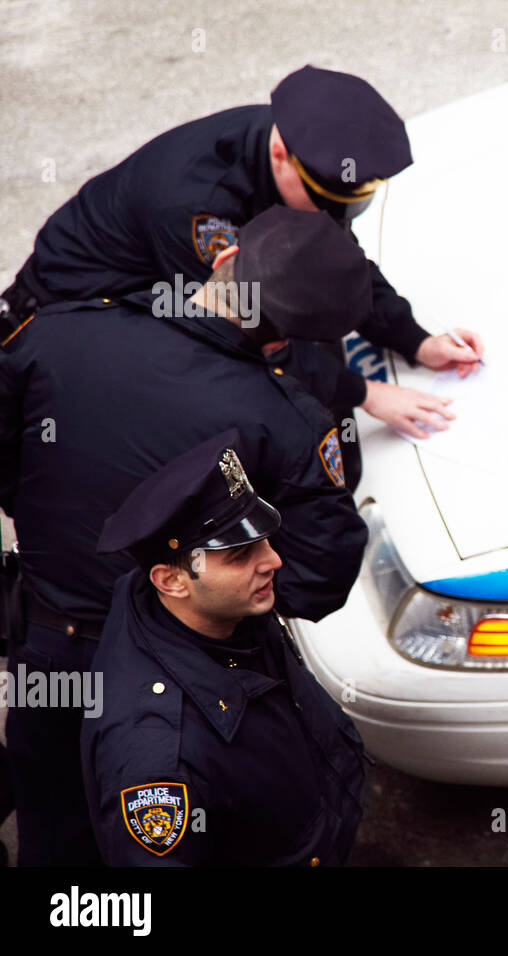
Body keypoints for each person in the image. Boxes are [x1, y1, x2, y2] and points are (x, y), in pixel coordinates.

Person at [0, 206, 369, 866]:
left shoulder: (58, 331)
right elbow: (321, 576)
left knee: (55, 837)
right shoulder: (281, 416)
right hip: (196, 666)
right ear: (290, 338)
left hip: (50, 652)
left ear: (225, 260)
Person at [0, 64, 485, 481]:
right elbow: (241, 327)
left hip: (157, 290)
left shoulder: (301, 155)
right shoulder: (197, 207)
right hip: (71, 319)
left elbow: (335, 260)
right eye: (325, 203)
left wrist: (415, 340)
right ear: (280, 156)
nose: (331, 218)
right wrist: (367, 393)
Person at [83, 430, 366, 866]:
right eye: (240, 554)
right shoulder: (158, 765)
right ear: (171, 581)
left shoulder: (220, 611)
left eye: (265, 539)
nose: (273, 560)